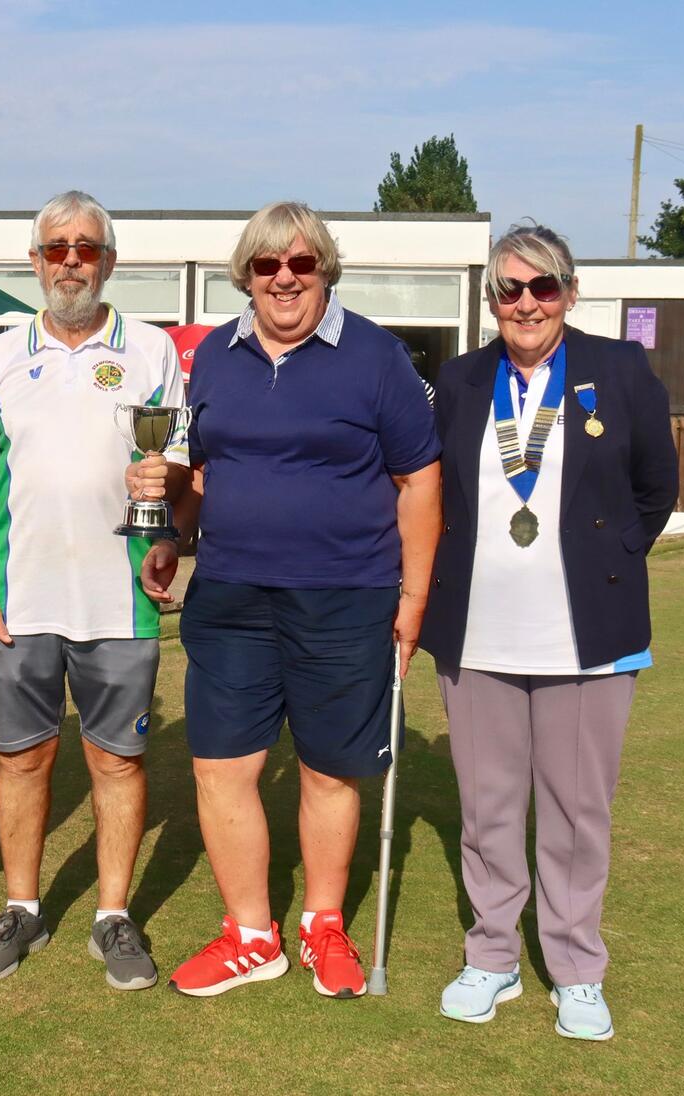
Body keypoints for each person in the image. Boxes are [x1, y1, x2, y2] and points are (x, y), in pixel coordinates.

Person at [134, 200, 441, 999]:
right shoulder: (219, 360)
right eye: (267, 265)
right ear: (246, 274)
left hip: (347, 598)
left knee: (330, 769)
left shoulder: (377, 357)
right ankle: (251, 935)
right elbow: (202, 473)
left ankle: (323, 926)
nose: (283, 279)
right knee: (220, 766)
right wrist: (173, 533)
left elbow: (419, 481)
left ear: (324, 272)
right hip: (232, 596)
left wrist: (413, 598)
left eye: (301, 265)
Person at [419, 223, 678, 1040]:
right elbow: (434, 493)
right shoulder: (460, 380)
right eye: (508, 289)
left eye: (543, 287)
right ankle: (492, 956)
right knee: (488, 806)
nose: (525, 303)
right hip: (479, 631)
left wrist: (611, 558)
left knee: (575, 811)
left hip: (586, 635)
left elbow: (655, 488)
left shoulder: (620, 369)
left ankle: (575, 968)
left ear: (569, 292)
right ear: (490, 299)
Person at [0, 191, 188, 991]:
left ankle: (112, 916)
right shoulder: (1, 355)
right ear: (36, 262)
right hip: (21, 599)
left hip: (121, 599)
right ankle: (23, 905)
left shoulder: (153, 351)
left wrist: (173, 510)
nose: (72, 260)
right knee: (21, 760)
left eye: (86, 247)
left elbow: (182, 475)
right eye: (57, 248)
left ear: (109, 260)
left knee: (117, 763)